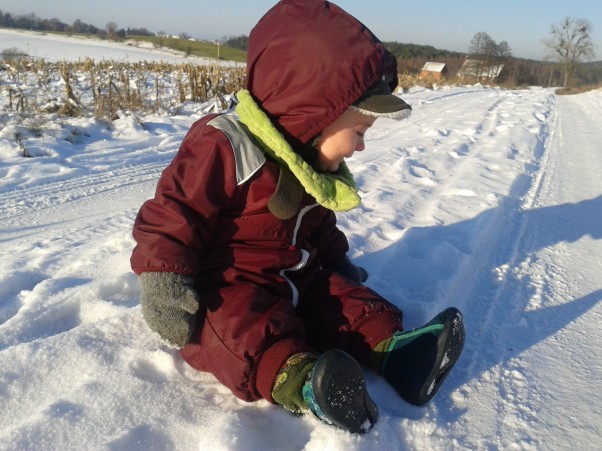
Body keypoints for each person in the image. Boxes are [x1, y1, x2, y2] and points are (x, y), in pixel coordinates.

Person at [131, 0, 465, 434]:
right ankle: (304, 381)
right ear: (316, 113)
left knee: (343, 299)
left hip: (296, 274)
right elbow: (173, 213)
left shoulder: (307, 160)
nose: (360, 147)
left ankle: (397, 353)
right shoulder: (225, 144)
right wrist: (164, 281)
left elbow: (319, 226)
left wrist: (339, 266)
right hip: (230, 284)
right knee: (237, 327)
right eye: (359, 132)